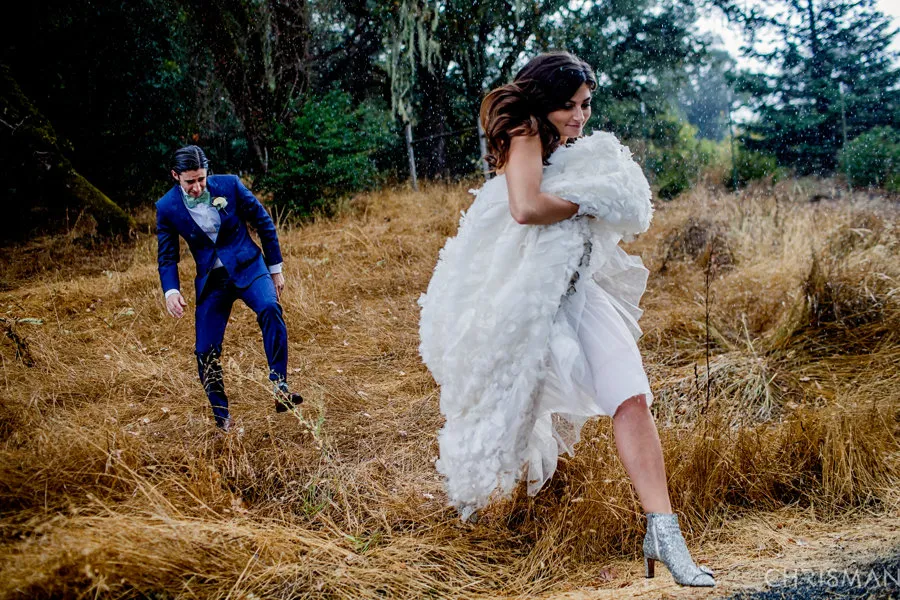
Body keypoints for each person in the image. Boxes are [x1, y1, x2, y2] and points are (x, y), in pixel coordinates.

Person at [418, 52, 714, 587]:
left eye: (586, 105)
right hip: (522, 297)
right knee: (507, 412)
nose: (580, 116)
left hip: (573, 291)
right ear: (544, 101)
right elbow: (526, 207)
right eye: (570, 106)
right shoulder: (525, 128)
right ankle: (489, 533)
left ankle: (664, 531)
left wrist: (606, 192)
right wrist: (587, 201)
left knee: (631, 394)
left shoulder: (562, 139)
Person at [156, 145, 303, 431]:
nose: (198, 186)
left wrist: (275, 270)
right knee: (205, 350)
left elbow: (263, 222)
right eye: (190, 181)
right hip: (213, 281)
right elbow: (167, 256)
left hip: (250, 266)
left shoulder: (230, 184)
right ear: (176, 176)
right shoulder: (166, 207)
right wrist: (171, 291)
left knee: (271, 308)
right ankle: (222, 419)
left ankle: (280, 386)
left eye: (201, 178)